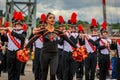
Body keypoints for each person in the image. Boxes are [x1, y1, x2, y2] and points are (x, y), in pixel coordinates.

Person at [24, 12, 77, 80]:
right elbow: (33, 39)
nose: (52, 19)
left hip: (54, 55)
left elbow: (68, 40)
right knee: (44, 75)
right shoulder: (43, 30)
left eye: (54, 18)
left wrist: (76, 48)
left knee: (53, 73)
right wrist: (25, 48)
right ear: (47, 20)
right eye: (50, 18)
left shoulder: (57, 31)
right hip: (44, 54)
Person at [4, 11, 27, 80]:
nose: (19, 25)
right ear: (14, 24)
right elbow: (5, 40)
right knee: (10, 71)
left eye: (20, 23)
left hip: (19, 53)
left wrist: (12, 32)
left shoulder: (23, 32)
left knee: (17, 72)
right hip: (10, 53)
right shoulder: (9, 32)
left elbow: (22, 37)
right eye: (17, 23)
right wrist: (2, 34)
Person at [56, 16, 66, 80]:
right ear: (59, 27)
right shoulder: (57, 34)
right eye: (61, 26)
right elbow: (60, 42)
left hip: (65, 52)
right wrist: (63, 35)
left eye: (64, 26)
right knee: (58, 67)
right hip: (58, 51)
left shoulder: (67, 33)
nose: (63, 28)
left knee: (64, 67)